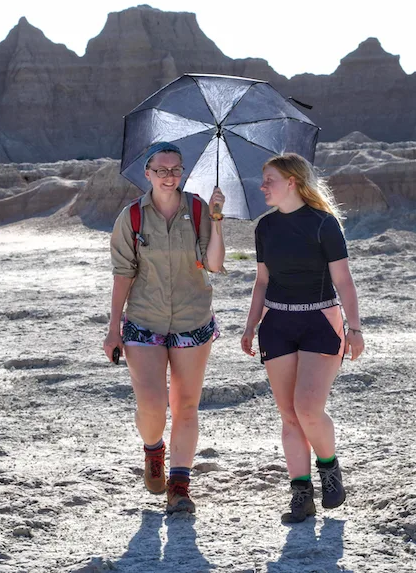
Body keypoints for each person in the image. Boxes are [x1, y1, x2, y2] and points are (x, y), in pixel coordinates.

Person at [240, 152, 365, 524]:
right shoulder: (264, 228)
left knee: (308, 408)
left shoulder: (323, 224)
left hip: (321, 323)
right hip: (276, 325)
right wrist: (250, 327)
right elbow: (262, 281)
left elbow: (343, 280)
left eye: (269, 180)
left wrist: (354, 328)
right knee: (289, 416)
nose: (262, 186)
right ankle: (301, 494)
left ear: (292, 182)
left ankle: (329, 468)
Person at [105, 142, 226, 514]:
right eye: (161, 170)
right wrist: (113, 328)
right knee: (152, 406)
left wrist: (217, 220)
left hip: (193, 320)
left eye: (176, 169)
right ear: (148, 173)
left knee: (186, 406)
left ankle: (179, 486)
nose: (169, 176)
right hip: (144, 321)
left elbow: (215, 265)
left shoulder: (198, 209)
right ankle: (153, 449)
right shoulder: (132, 217)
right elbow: (123, 273)